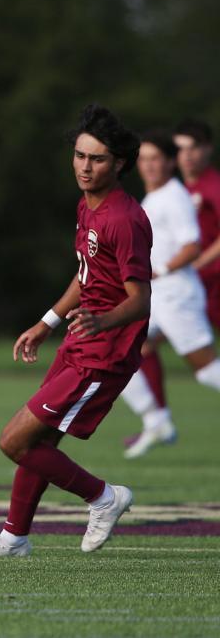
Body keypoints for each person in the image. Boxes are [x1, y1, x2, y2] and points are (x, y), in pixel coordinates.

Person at [0, 104, 151, 557]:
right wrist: (47, 322)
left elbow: (139, 298)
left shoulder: (124, 219)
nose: (85, 166)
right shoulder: (88, 205)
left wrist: (103, 320)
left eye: (97, 158)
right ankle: (13, 537)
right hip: (79, 341)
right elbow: (87, 275)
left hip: (105, 352)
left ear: (119, 163)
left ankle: (104, 497)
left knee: (14, 441)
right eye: (80, 156)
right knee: (39, 442)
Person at [120, 131, 220, 458]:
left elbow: (192, 245)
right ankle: (156, 419)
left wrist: (159, 270)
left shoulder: (174, 196)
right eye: (144, 159)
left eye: (156, 159)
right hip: (156, 297)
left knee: (206, 371)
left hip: (176, 296)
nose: (149, 165)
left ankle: (156, 419)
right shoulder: (154, 198)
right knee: (122, 350)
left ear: (169, 162)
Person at [175, 119, 220, 329]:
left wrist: (198, 262)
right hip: (197, 281)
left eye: (193, 148)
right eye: (181, 149)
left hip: (213, 279)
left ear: (207, 149)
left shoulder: (213, 185)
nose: (187, 155)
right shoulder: (181, 190)